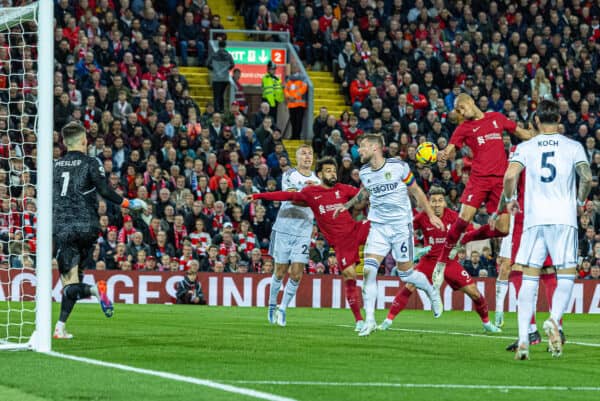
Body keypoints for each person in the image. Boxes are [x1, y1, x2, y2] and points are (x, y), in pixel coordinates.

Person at [492, 99, 592, 360]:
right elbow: (587, 177)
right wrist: (580, 202)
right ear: (559, 120)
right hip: (564, 220)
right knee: (567, 275)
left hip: (534, 221)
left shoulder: (525, 147)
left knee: (528, 278)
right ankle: (555, 320)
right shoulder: (573, 146)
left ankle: (525, 339)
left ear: (536, 121)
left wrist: (511, 199)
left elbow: (509, 177)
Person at [333, 134, 444, 336]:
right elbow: (364, 193)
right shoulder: (365, 172)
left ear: (375, 148)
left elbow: (417, 192)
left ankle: (429, 289)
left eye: (363, 147)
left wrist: (430, 215)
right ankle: (370, 320)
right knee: (368, 270)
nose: (359, 151)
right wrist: (347, 205)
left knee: (406, 274)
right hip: (378, 227)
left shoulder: (398, 167)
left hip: (401, 226)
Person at [249, 157, 367, 331]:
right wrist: (259, 195)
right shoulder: (311, 193)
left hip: (354, 230)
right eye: (328, 170)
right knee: (348, 275)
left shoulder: (342, 188)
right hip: (338, 241)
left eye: (334, 170)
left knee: (383, 224)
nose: (332, 173)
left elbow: (362, 194)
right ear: (320, 174)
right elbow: (287, 195)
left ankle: (283, 308)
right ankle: (273, 305)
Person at [52, 122, 146, 339]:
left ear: (65, 143)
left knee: (69, 285)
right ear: (84, 141)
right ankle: (60, 327)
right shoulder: (91, 162)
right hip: (88, 226)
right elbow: (104, 190)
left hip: (64, 227)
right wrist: (128, 204)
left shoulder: (55, 165)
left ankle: (95, 290)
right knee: (74, 282)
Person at [432, 93, 533, 291]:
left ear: (470, 101)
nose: (460, 112)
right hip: (478, 180)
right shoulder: (464, 128)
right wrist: (444, 155)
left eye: (461, 107)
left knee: (503, 230)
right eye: (458, 111)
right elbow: (451, 149)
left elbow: (522, 133)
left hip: (500, 182)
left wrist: (542, 136)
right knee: (463, 220)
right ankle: (441, 263)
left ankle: (466, 238)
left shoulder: (496, 118)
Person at [379, 186, 502, 333]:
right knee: (409, 286)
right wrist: (416, 250)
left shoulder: (454, 217)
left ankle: (487, 323)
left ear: (445, 202)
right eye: (433, 201)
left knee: (474, 292)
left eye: (440, 200)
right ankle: (388, 320)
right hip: (429, 262)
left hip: (449, 263)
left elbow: (470, 232)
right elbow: (405, 232)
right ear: (429, 203)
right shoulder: (422, 217)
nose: (437, 204)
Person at [263, 145, 319, 326]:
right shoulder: (290, 175)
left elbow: (314, 202)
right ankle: (272, 304)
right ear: (297, 158)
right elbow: (292, 197)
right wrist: (309, 199)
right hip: (285, 228)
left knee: (296, 274)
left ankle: (283, 308)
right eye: (303, 153)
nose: (307, 156)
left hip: (303, 231)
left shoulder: (317, 180)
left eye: (310, 153)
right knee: (279, 271)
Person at [207, 39, 235, 113]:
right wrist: (226, 70)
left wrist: (214, 69)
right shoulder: (228, 55)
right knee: (222, 95)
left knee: (216, 96)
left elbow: (208, 64)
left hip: (216, 78)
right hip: (225, 79)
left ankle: (217, 111)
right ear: (225, 46)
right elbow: (232, 65)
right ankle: (222, 110)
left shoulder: (214, 55)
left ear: (218, 45)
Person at [284, 64, 308, 139]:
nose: (294, 69)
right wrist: (288, 96)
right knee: (293, 121)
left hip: (300, 104)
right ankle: (293, 135)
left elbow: (303, 89)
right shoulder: (289, 79)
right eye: (293, 67)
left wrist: (294, 96)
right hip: (291, 105)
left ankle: (297, 136)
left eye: (295, 67)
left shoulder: (303, 78)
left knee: (298, 122)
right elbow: (285, 89)